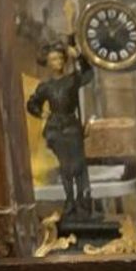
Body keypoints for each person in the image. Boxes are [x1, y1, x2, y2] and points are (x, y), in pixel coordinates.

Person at [26, 40, 93, 216]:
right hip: (56, 127)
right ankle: (70, 199)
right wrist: (41, 113)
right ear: (48, 63)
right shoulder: (46, 87)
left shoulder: (72, 79)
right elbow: (32, 103)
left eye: (60, 58)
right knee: (65, 165)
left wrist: (78, 56)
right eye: (53, 59)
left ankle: (82, 199)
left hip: (71, 124)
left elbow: (88, 74)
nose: (57, 62)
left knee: (78, 163)